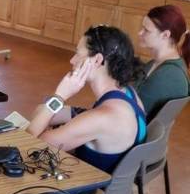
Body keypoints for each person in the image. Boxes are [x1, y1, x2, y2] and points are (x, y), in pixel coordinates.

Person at [27, 25, 146, 173]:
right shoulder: (128, 92)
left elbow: (29, 148)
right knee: (41, 110)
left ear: (97, 60)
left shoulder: (103, 117)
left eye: (77, 53)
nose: (72, 60)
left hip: (89, 191)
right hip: (109, 179)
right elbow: (41, 111)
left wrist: (60, 96)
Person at [135, 4, 190, 121]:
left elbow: (133, 111)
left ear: (165, 35)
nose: (140, 33)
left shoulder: (170, 75)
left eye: (146, 30)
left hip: (132, 133)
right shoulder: (155, 63)